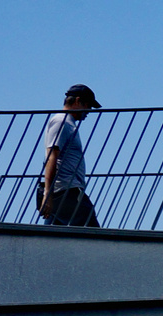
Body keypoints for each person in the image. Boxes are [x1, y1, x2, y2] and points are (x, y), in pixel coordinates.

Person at [40, 84, 102, 227]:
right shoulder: (61, 121)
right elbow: (51, 156)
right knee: (95, 238)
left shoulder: (67, 122)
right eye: (88, 105)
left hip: (63, 191)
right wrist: (47, 194)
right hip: (66, 192)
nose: (89, 111)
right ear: (77, 101)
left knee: (51, 241)